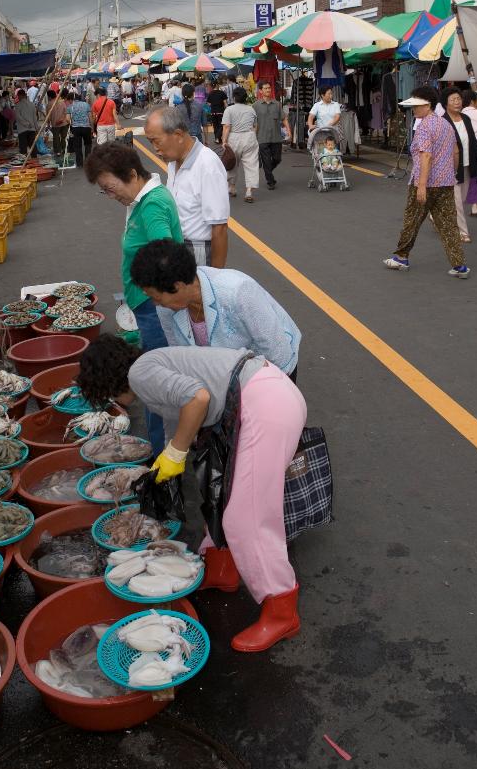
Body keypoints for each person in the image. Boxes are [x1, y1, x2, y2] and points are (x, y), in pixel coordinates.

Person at [76, 335, 307, 652]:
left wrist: (175, 453)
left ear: (104, 381)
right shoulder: (152, 365)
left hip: (267, 407)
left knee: (247, 517)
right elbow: (178, 417)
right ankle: (223, 569)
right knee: (219, 494)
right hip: (262, 396)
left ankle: (282, 611)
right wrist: (168, 459)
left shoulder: (140, 375)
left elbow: (197, 399)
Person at [83, 142, 183, 456]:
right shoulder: (139, 200)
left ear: (130, 174)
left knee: (155, 383)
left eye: (110, 188)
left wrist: (156, 298)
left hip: (157, 310)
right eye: (105, 191)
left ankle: (161, 453)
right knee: (156, 375)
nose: (110, 196)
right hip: (147, 306)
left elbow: (166, 254)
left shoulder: (151, 204)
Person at [131, 239, 300, 378]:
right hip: (228, 377)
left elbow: (280, 356)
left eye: (156, 297)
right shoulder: (166, 308)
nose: (155, 303)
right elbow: (180, 356)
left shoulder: (238, 291)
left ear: (178, 285)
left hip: (272, 370)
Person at [383, 87, 469, 278]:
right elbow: (455, 151)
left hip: (425, 182)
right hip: (446, 182)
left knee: (411, 220)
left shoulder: (424, 126)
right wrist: (451, 172)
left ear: (427, 105)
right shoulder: (446, 124)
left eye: (416, 105)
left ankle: (401, 257)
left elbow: (426, 156)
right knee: (448, 225)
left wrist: (421, 185)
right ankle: (459, 265)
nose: (413, 109)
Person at [145, 106, 229, 267]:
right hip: (176, 245)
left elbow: (219, 228)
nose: (155, 148)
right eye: (150, 142)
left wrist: (217, 277)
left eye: (156, 140)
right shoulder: (173, 161)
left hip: (197, 251)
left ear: (178, 135)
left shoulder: (207, 164)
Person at [440, 87, 477, 244]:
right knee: (457, 201)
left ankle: (434, 215)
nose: (457, 102)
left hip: (466, 165)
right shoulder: (442, 122)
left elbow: (473, 141)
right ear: (446, 103)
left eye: (458, 99)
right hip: (450, 168)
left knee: (462, 198)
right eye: (453, 100)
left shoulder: (466, 119)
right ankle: (463, 232)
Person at [222, 86, 260, 203]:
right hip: (249, 136)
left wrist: (224, 141)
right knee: (251, 164)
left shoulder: (229, 109)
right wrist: (253, 135)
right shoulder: (251, 109)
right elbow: (255, 126)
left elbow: (227, 126)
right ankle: (249, 191)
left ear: (234, 97)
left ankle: (232, 188)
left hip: (234, 137)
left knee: (232, 162)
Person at [255, 81, 291, 191]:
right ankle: (270, 181)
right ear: (260, 91)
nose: (268, 90)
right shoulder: (255, 106)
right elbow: (253, 123)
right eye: (265, 88)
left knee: (277, 159)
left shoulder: (277, 104)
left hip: (276, 137)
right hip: (262, 138)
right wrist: (252, 137)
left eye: (269, 88)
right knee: (266, 160)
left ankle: (268, 171)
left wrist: (289, 131)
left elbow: (284, 118)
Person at [65, 91, 92, 167]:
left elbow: (67, 119)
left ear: (71, 99)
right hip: (86, 127)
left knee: (77, 146)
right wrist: (92, 128)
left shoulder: (70, 107)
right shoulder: (86, 105)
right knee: (88, 145)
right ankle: (88, 162)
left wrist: (72, 123)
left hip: (76, 128)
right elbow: (90, 117)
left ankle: (80, 163)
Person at [14, 88, 40, 156]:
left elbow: (18, 117)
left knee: (23, 148)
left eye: (18, 96)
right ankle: (34, 160)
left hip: (22, 129)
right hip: (32, 129)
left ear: (20, 95)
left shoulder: (18, 105)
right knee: (32, 147)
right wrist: (37, 128)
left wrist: (26, 124)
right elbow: (35, 118)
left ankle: (24, 162)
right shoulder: (31, 104)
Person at [47, 88, 70, 161]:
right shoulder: (61, 102)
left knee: (56, 138)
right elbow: (66, 112)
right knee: (64, 137)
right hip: (64, 123)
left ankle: (58, 151)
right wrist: (63, 119)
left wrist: (48, 124)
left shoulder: (49, 104)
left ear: (49, 97)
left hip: (55, 124)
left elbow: (48, 116)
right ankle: (64, 150)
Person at [205, 79, 227, 145]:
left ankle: (217, 138)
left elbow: (208, 104)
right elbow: (225, 103)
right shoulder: (222, 93)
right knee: (221, 125)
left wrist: (213, 104)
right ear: (217, 85)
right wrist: (226, 109)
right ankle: (218, 138)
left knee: (215, 125)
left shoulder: (210, 94)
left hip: (213, 112)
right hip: (220, 111)